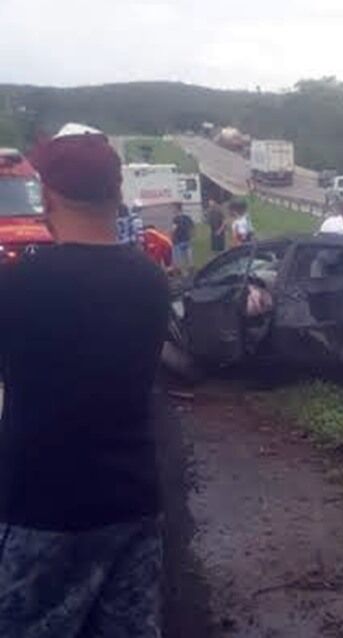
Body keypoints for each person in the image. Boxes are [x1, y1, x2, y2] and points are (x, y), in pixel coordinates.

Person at [0, 126, 169, 637]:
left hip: (41, 509)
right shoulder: (151, 283)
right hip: (132, 502)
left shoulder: (18, 286)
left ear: (47, 195)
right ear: (117, 194)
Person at [171, 201, 195, 275]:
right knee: (189, 256)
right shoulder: (187, 217)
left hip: (178, 241)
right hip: (187, 239)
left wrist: (171, 236)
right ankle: (191, 268)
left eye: (173, 208)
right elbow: (192, 227)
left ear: (176, 209)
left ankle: (184, 272)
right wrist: (191, 236)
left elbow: (174, 229)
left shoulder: (176, 219)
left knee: (180, 258)